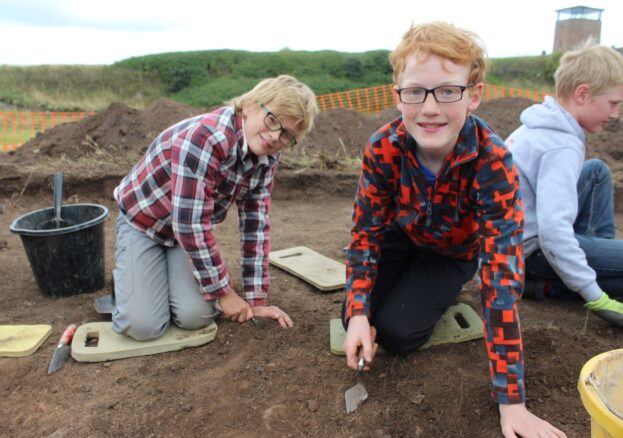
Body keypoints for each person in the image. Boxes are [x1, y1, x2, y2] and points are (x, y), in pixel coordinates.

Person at [342, 22, 566, 437]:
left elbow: (501, 279)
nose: (430, 108)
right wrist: (357, 312)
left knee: (398, 334)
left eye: (448, 91)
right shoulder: (382, 147)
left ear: (474, 95)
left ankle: (434, 293)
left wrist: (511, 401)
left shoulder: (493, 161)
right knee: (355, 317)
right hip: (400, 237)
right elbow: (365, 234)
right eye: (415, 92)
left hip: (449, 256)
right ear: (398, 96)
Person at [112, 75, 318, 341]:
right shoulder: (206, 138)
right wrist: (224, 293)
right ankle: (128, 288)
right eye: (273, 120)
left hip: (178, 238)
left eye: (287, 134)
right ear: (250, 106)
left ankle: (153, 281)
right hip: (142, 223)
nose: (275, 136)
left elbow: (256, 226)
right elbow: (191, 225)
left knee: (195, 317)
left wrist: (256, 299)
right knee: (144, 327)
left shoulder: (267, 157)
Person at [506, 44, 623, 327]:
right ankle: (552, 286)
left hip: (515, 242)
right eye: (613, 103)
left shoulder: (543, 123)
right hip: (530, 253)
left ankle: (593, 263)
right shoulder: (560, 145)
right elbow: (552, 232)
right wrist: (595, 296)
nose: (616, 114)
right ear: (582, 94)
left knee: (596, 172)